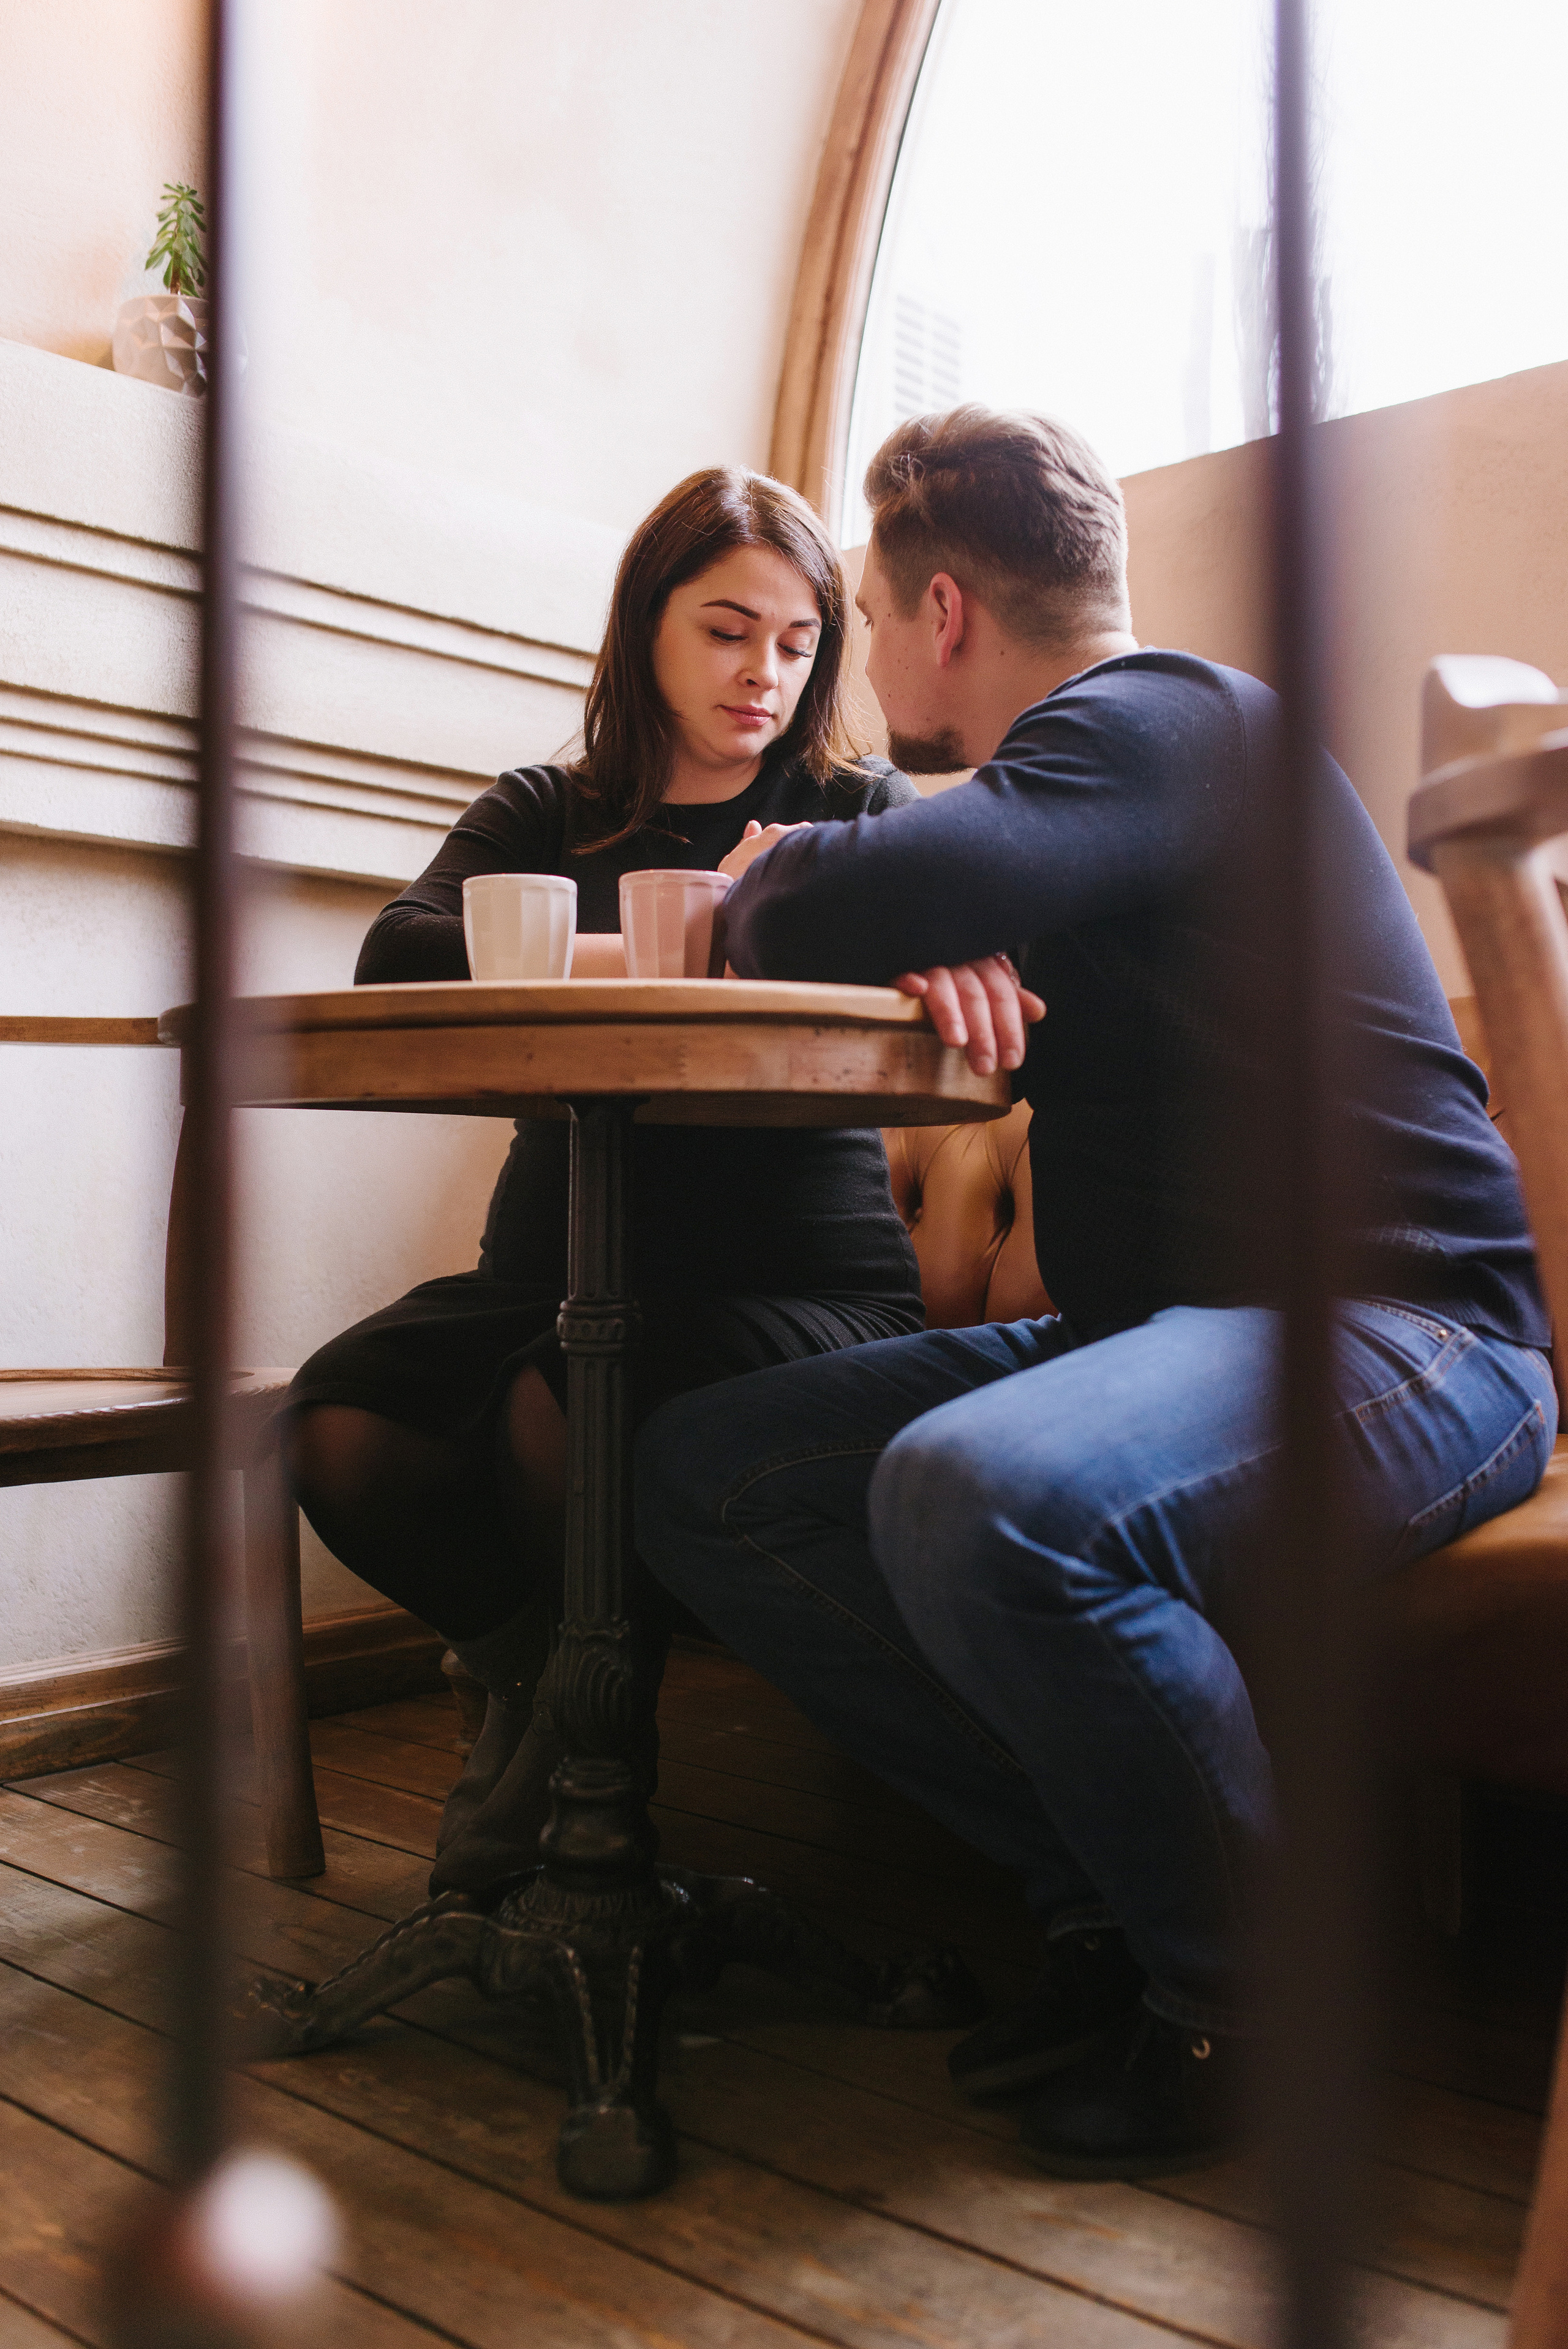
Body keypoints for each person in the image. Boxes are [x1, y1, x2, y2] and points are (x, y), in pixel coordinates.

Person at [632, 405, 1555, 2180]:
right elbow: (941, 873)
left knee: (983, 1491)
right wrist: (923, 890)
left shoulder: (1181, 720)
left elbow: (875, 875)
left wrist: (797, 868)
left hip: (1413, 1332)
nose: (865, 662)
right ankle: (1109, 1909)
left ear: (946, 611)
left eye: (872, 622)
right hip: (1177, 1330)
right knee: (706, 1471)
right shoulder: (1091, 789)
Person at [285, 463, 982, 1898]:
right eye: (726, 629)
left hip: (793, 1285)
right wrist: (664, 953)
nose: (763, 674)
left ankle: (568, 1788)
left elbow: (957, 951)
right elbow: (396, 953)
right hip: (542, 1270)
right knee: (339, 1429)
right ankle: (540, 1683)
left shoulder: (852, 809)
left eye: (796, 643)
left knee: (569, 1403)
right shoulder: (553, 806)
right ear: (644, 626)